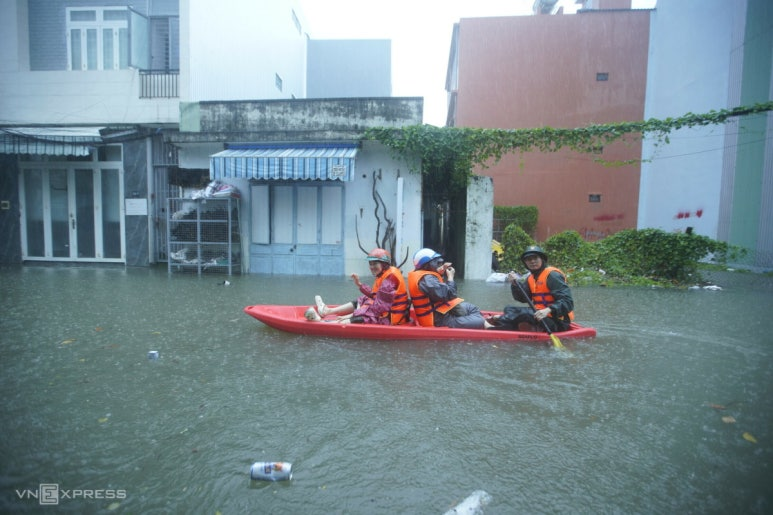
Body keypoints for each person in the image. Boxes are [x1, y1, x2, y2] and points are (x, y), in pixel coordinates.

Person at [306, 248, 410, 325]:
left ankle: (323, 323)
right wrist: (359, 284)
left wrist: (354, 314)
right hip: (387, 312)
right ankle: (327, 312)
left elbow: (378, 308)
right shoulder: (384, 274)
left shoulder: (390, 277)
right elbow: (375, 296)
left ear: (384, 264)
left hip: (389, 318)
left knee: (363, 316)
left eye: (375, 264)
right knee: (363, 300)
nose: (372, 267)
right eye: (371, 264)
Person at [501, 245, 575, 332]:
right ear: (525, 263)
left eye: (535, 258)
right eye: (529, 259)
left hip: (557, 320)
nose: (532, 261)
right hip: (538, 314)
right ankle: (524, 326)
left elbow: (568, 302)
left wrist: (548, 310)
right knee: (509, 309)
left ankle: (499, 322)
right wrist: (515, 284)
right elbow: (522, 298)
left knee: (524, 316)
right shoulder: (531, 278)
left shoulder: (553, 276)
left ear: (542, 259)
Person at [407, 248, 485, 329]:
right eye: (436, 261)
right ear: (427, 264)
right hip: (439, 320)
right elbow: (450, 294)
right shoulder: (427, 280)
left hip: (442, 311)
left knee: (470, 307)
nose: (440, 262)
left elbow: (438, 289)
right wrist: (450, 277)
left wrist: (440, 272)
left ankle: (471, 320)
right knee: (481, 322)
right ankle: (480, 323)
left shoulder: (426, 276)